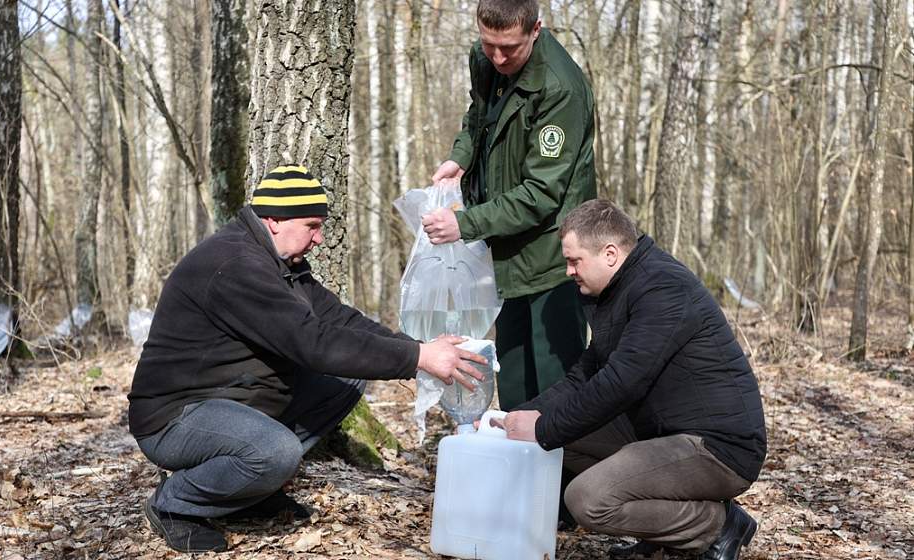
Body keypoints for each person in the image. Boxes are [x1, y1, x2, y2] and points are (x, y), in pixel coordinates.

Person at [127, 165, 486, 554]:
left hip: (228, 395)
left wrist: (418, 350)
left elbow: (338, 320)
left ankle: (249, 489)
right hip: (174, 417)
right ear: (275, 220)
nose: (319, 238)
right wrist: (417, 357)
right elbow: (314, 344)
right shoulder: (237, 267)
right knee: (276, 452)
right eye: (312, 225)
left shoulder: (280, 263)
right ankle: (174, 503)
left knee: (345, 381)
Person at [490, 200, 767, 560]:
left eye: (575, 261)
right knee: (560, 437)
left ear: (609, 254)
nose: (569, 270)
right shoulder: (617, 289)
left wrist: (543, 429)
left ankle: (717, 524)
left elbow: (622, 383)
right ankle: (663, 533)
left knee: (587, 499)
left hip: (719, 447)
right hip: (663, 432)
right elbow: (582, 377)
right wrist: (519, 418)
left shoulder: (663, 288)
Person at [421, 0, 596, 411]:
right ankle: (521, 468)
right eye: (489, 45)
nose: (498, 58)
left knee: (557, 388)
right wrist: (460, 155)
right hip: (502, 249)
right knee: (515, 384)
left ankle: (570, 475)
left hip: (552, 254)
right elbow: (477, 117)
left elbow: (541, 193)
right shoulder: (483, 61)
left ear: (536, 29)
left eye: (510, 48)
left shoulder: (560, 88)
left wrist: (465, 224)